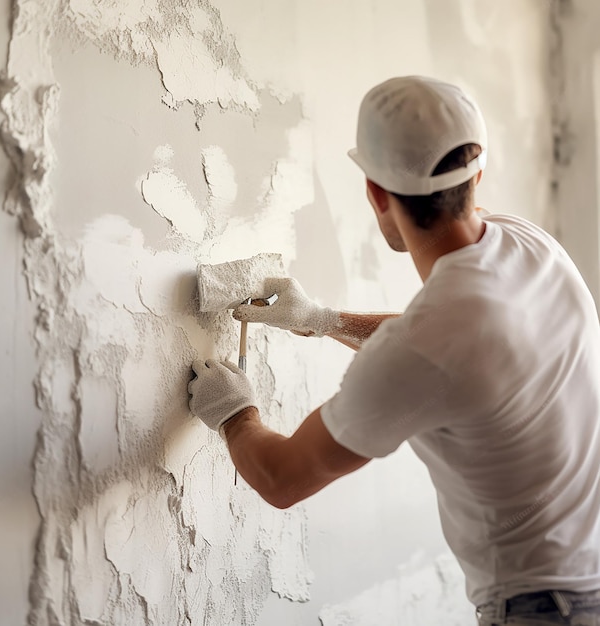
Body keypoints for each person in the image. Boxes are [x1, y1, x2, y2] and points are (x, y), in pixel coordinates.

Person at [188, 76, 600, 625]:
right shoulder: (531, 245)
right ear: (477, 175)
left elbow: (282, 479)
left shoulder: (431, 345)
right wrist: (321, 320)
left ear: (375, 193)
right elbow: (444, 341)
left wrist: (234, 412)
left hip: (544, 610)